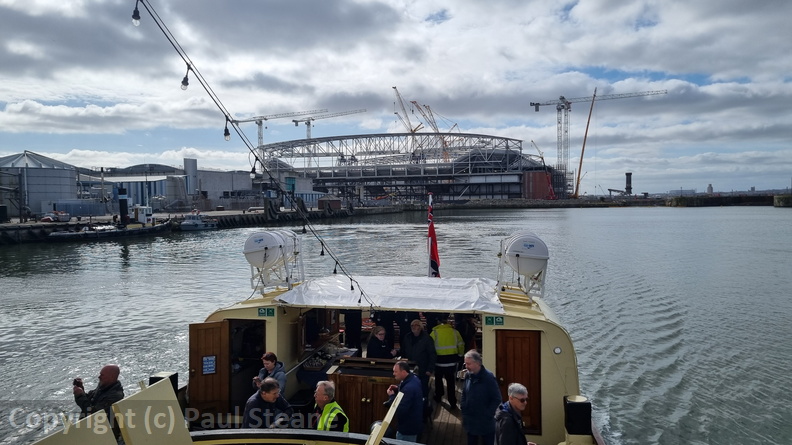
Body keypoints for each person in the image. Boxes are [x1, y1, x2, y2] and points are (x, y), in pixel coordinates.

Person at [460, 350, 501, 445]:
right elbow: (464, 393)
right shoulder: (468, 375)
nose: (466, 367)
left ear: (477, 363)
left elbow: (497, 399)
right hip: (471, 421)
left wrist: (487, 415)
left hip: (485, 424)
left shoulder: (488, 378)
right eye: (465, 364)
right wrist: (464, 408)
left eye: (469, 364)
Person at [398, 319, 436, 414]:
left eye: (416, 325)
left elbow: (432, 354)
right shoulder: (407, 337)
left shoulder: (427, 338)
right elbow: (403, 351)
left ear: (421, 327)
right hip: (409, 368)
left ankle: (423, 412)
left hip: (423, 369)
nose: (414, 327)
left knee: (423, 391)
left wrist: (430, 369)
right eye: (412, 325)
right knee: (409, 390)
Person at [430, 316, 465, 408]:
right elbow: (461, 344)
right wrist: (460, 355)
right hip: (451, 361)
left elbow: (430, 347)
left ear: (438, 322)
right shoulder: (455, 332)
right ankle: (452, 401)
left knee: (438, 379)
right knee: (450, 381)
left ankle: (438, 396)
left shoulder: (434, 333)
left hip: (438, 361)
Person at [385, 361, 423, 442]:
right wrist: (397, 388)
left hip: (407, 429)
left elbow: (400, 409)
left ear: (403, 372)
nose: (393, 374)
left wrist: (391, 396)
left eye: (395, 372)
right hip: (414, 423)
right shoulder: (414, 378)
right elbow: (405, 388)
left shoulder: (408, 389)